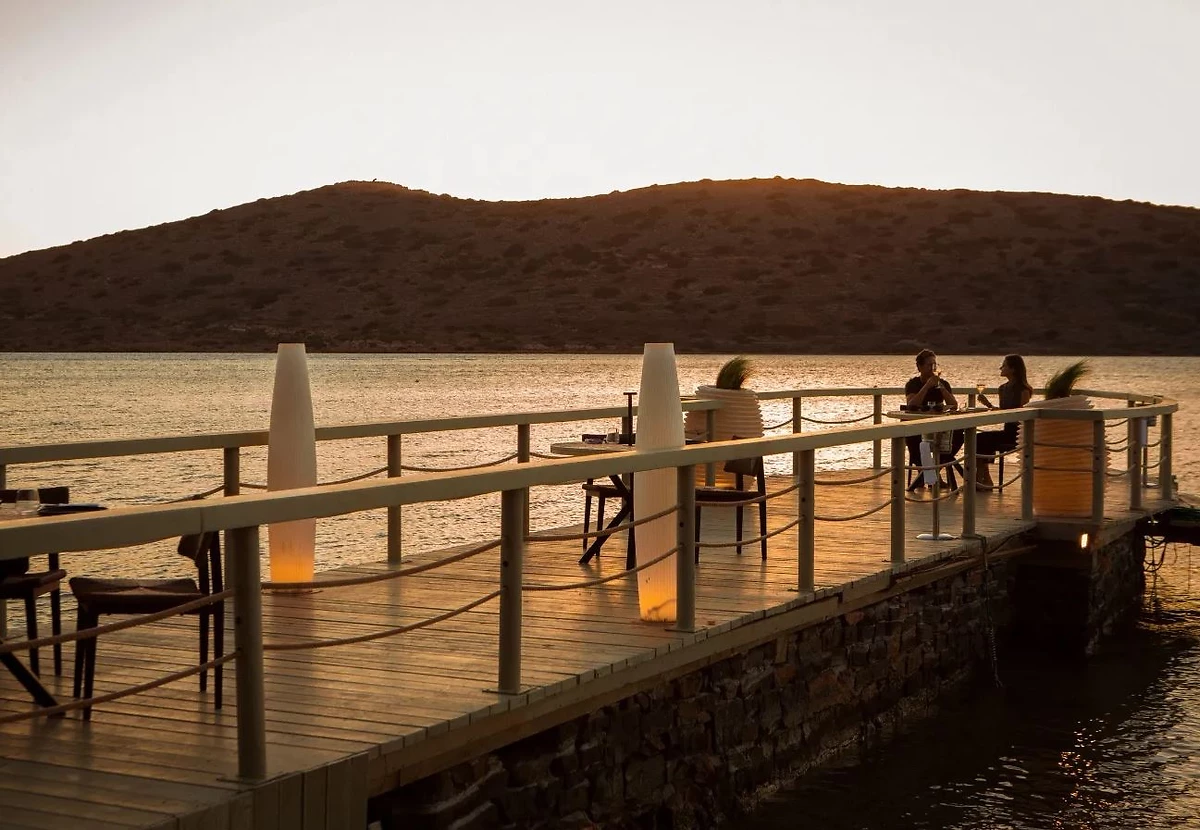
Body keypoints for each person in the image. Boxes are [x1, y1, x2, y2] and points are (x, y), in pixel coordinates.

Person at [904, 349, 962, 490]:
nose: (933, 368)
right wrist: (927, 386)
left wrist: (940, 387)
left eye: (935, 365)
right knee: (914, 439)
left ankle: (931, 473)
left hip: (939, 426)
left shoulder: (943, 383)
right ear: (920, 367)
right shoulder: (913, 384)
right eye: (929, 365)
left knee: (959, 435)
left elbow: (954, 405)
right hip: (917, 424)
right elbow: (911, 404)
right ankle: (925, 473)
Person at [974, 354, 1033, 489]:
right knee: (978, 438)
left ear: (1013, 369)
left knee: (983, 438)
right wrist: (988, 405)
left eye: (1004, 365)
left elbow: (1020, 413)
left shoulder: (1023, 389)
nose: (1001, 368)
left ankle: (982, 479)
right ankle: (984, 478)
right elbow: (1003, 411)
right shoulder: (1002, 388)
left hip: (1018, 432)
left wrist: (995, 409)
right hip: (1008, 429)